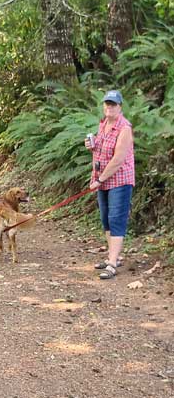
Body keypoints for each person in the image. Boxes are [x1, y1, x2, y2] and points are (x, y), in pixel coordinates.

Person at [85, 90, 135, 280]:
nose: (109, 107)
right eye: (107, 104)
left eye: (113, 104)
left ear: (120, 107)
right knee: (105, 218)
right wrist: (92, 146)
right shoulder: (103, 124)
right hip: (102, 179)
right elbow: (99, 152)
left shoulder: (125, 128)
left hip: (119, 180)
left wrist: (100, 179)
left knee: (116, 219)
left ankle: (113, 264)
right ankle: (112, 257)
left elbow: (118, 159)